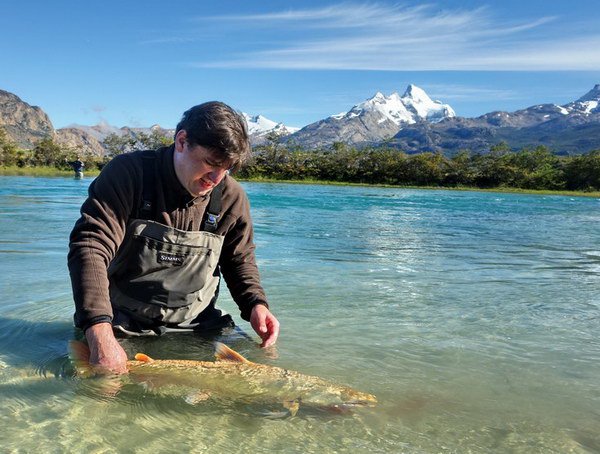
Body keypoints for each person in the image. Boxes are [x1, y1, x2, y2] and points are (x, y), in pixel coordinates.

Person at [68, 101, 280, 374]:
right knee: (104, 389)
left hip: (198, 324)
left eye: (227, 168)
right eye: (211, 163)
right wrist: (99, 329)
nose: (216, 178)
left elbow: (239, 260)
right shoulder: (128, 174)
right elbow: (90, 246)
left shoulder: (231, 196)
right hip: (121, 322)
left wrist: (255, 305)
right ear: (182, 141)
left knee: (257, 376)